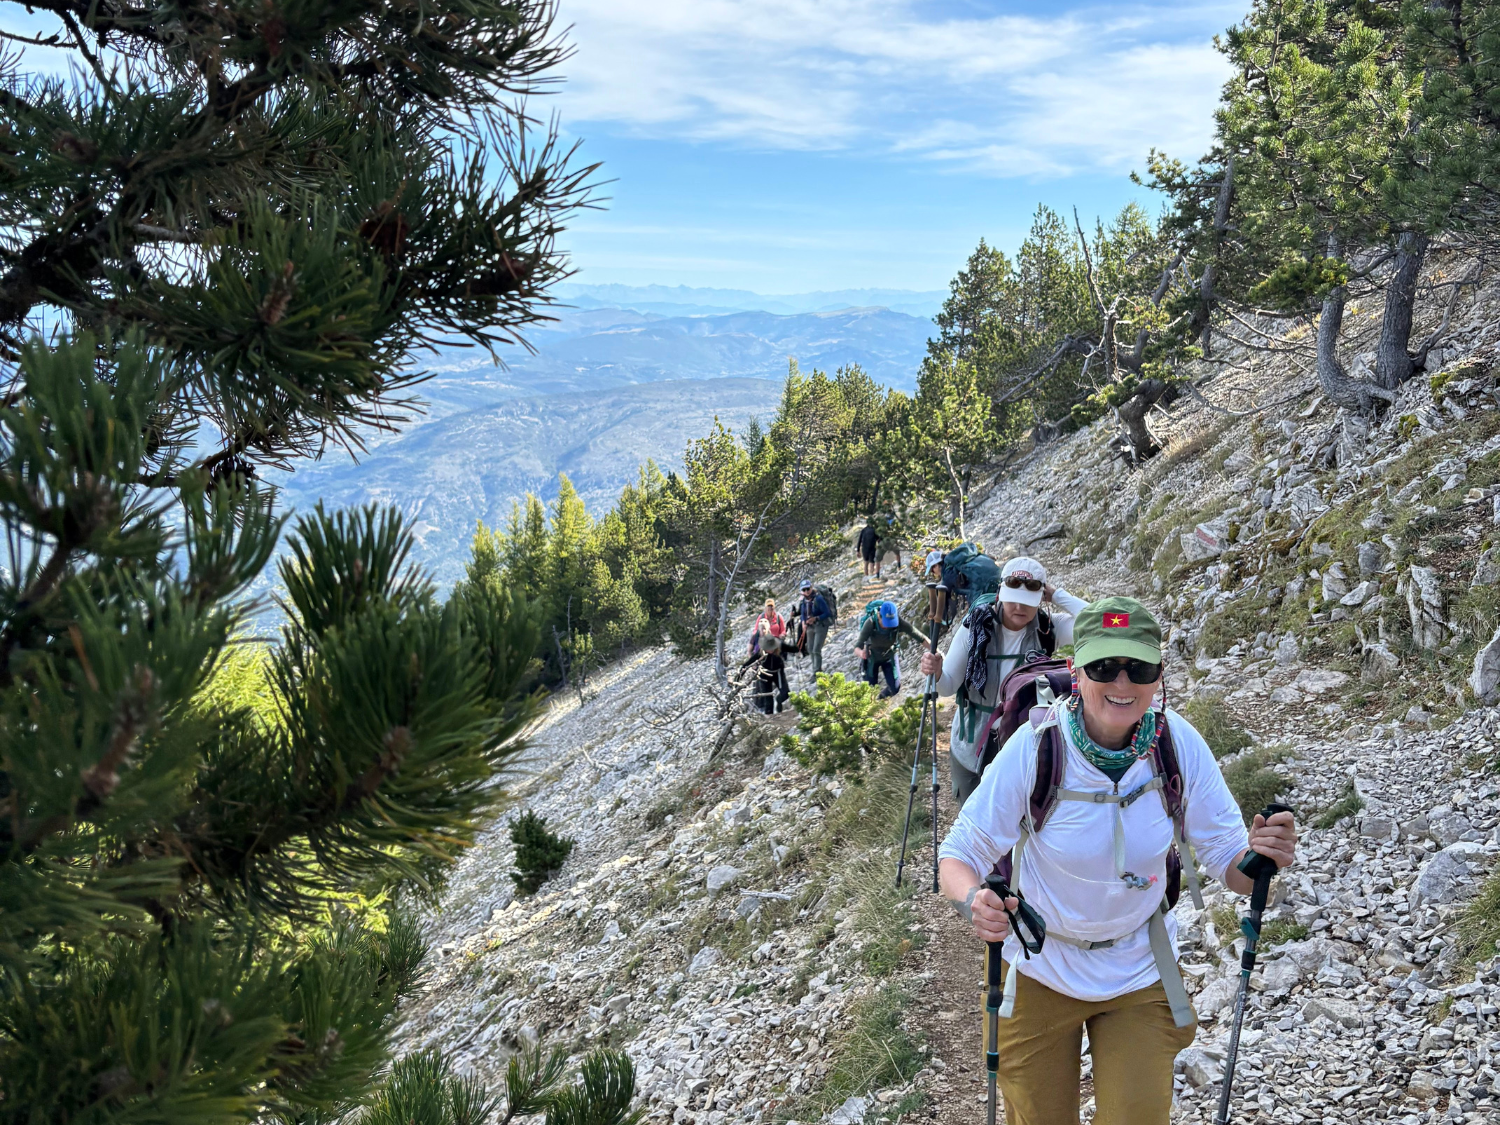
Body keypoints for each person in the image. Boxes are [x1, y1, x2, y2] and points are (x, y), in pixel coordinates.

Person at [937, 597, 1298, 1125]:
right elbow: (959, 854)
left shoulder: (1178, 745)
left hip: (1139, 969)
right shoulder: (1034, 748)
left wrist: (1262, 859)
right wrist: (974, 899)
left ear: (1158, 675)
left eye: (1139, 667)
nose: (1122, 683)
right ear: (1076, 670)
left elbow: (1229, 862)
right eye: (1104, 666)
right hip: (1041, 966)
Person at [918, 556, 1087, 807]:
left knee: (1016, 820)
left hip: (1022, 744)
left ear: (1040, 599)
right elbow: (947, 687)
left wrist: (1057, 595)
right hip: (971, 746)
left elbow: (1110, 623)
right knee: (973, 820)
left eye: (1028, 601)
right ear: (1000, 594)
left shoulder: (1047, 629)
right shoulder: (974, 627)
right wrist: (938, 672)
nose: (1019, 608)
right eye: (1013, 600)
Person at [853, 600, 928, 698]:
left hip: (889, 656)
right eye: (886, 623)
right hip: (872, 658)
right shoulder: (870, 623)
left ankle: (880, 700)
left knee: (895, 688)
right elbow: (857, 647)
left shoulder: (897, 622)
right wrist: (862, 653)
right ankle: (871, 706)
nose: (888, 626)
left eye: (891, 623)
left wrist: (936, 651)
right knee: (870, 689)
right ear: (879, 616)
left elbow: (919, 637)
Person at [739, 634, 789, 714]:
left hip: (778, 673)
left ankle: (779, 702)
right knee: (767, 697)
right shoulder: (761, 653)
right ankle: (770, 716)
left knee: (786, 693)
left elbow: (788, 651)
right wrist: (740, 674)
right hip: (765, 675)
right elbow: (748, 663)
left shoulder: (779, 649)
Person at [798, 579, 833, 675]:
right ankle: (815, 668)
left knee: (816, 649)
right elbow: (802, 614)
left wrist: (816, 618)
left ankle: (817, 672)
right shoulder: (803, 601)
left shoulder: (819, 599)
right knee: (810, 648)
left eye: (807, 589)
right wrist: (803, 623)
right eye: (804, 590)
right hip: (809, 627)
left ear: (811, 587)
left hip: (820, 625)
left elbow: (827, 613)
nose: (806, 591)